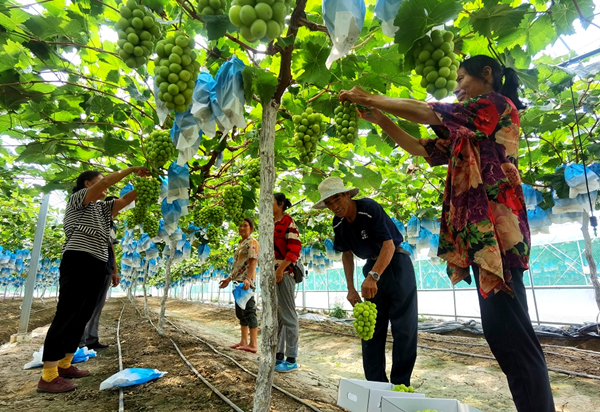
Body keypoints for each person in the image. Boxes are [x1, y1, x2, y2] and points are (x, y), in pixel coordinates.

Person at [339, 55, 555, 412]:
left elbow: (428, 111)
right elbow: (421, 148)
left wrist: (371, 98)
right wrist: (380, 119)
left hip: (498, 234)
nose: (457, 87)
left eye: (461, 78)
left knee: (512, 338)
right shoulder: (468, 130)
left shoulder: (495, 106)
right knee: (504, 335)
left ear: (487, 75)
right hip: (484, 239)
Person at [38, 167, 149, 393]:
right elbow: (107, 180)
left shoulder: (103, 208)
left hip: (98, 263)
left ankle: (65, 364)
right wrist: (132, 169)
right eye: (101, 183)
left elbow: (127, 199)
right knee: (68, 313)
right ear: (88, 184)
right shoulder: (79, 200)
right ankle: (48, 376)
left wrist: (152, 181)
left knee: (83, 315)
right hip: (79, 258)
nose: (106, 188)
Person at [313, 177, 418, 385]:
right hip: (371, 268)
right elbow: (346, 254)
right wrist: (350, 288)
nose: (334, 206)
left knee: (404, 329)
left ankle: (400, 384)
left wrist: (374, 276)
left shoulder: (368, 208)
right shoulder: (339, 223)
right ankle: (375, 384)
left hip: (396, 263)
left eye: (336, 199)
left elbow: (388, 245)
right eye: (329, 203)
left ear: (347, 195)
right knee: (371, 329)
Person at [78, 196, 121, 351]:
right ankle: (79, 341)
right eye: (118, 206)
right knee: (86, 304)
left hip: (106, 268)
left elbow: (111, 248)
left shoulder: (112, 226)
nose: (120, 210)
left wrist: (115, 271)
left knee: (98, 305)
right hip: (92, 266)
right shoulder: (93, 220)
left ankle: (91, 339)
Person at [219, 218, 259, 353]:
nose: (242, 228)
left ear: (251, 228)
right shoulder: (241, 244)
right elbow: (238, 266)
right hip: (238, 282)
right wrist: (229, 279)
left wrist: (248, 279)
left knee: (249, 312)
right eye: (240, 225)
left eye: (245, 225)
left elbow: (253, 262)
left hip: (245, 283)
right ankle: (243, 341)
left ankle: (253, 344)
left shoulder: (252, 242)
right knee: (241, 313)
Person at [273, 193, 302, 373]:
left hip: (284, 274)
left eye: (271, 203)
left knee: (289, 316)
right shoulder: (272, 224)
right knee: (278, 316)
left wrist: (280, 269)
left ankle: (291, 358)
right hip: (275, 274)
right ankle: (277, 355)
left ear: (281, 204)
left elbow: (294, 250)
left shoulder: (288, 223)